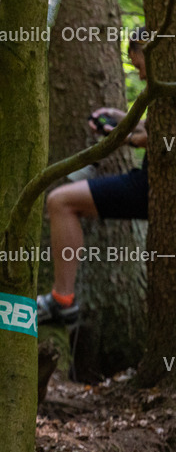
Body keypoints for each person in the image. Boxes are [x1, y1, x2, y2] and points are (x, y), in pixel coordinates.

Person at [37, 30, 150, 324]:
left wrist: (124, 138)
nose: (139, 76)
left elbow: (159, 136)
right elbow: (156, 126)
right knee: (65, 201)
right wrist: (120, 119)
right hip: (149, 182)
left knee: (60, 201)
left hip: (151, 187)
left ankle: (63, 301)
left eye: (139, 66)